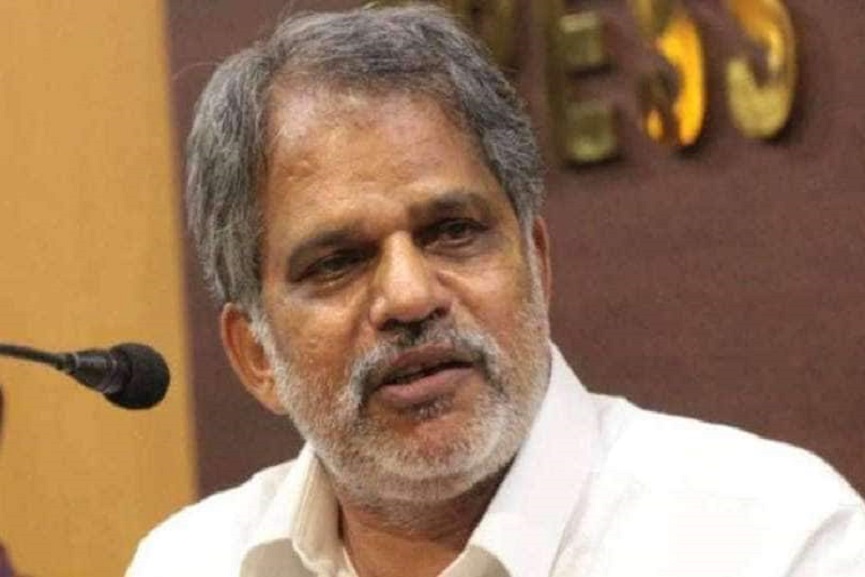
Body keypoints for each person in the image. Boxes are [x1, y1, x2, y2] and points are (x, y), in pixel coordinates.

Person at [126, 4, 865, 576]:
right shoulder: (188, 561)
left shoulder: (774, 539)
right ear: (255, 355)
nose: (409, 296)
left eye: (452, 231)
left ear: (536, 263)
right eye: (338, 261)